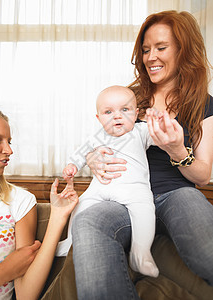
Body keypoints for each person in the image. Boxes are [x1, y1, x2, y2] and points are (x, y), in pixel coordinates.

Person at [71, 10, 213, 300]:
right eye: (146, 49)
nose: (151, 57)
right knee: (89, 221)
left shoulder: (203, 104)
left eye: (161, 48)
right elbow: (97, 140)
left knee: (205, 246)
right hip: (122, 197)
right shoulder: (128, 97)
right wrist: (93, 158)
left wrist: (176, 150)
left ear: (183, 50)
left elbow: (203, 175)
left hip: (175, 194)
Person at [56, 85, 159, 277]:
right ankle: (69, 241)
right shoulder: (97, 137)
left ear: (136, 114)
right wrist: (72, 166)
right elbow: (81, 154)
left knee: (145, 210)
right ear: (99, 118)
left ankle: (140, 253)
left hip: (133, 189)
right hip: (99, 188)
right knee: (81, 206)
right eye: (108, 112)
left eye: (125, 110)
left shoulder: (140, 131)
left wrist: (159, 122)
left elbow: (161, 137)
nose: (117, 116)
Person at [0, 108, 78, 300]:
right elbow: (6, 272)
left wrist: (57, 217)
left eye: (9, 142)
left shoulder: (19, 201)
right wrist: (3, 272)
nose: (9, 150)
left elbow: (26, 295)